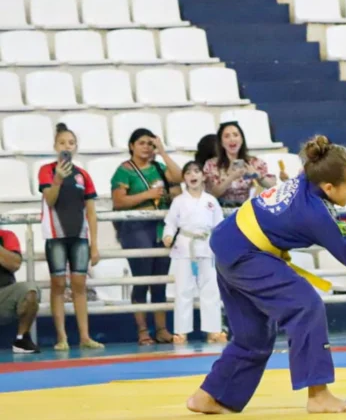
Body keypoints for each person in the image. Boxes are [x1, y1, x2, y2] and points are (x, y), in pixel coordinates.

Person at [185, 136, 346, 415]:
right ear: (329, 188)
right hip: (246, 255)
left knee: (253, 335)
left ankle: (210, 396)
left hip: (229, 242)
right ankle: (318, 394)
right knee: (306, 305)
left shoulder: (312, 172)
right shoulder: (317, 214)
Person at [111, 128, 183, 346]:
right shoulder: (123, 171)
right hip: (135, 228)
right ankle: (143, 330)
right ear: (131, 146)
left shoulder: (159, 167)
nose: (146, 147)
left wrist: (163, 152)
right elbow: (119, 202)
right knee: (141, 278)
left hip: (160, 227)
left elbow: (179, 177)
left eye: (150, 144)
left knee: (160, 279)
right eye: (142, 143)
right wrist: (147, 195)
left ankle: (161, 330)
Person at [38, 123, 103, 350]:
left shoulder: (83, 175)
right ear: (55, 146)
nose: (67, 146)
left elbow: (91, 213)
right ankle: (62, 337)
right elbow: (50, 200)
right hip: (55, 235)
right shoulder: (46, 171)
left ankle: (85, 336)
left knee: (79, 285)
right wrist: (57, 179)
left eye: (71, 143)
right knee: (58, 284)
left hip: (79, 236)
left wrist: (94, 245)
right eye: (63, 143)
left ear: (76, 147)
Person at [163, 161, 227, 344]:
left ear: (203, 176)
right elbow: (170, 222)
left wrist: (222, 243)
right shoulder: (179, 201)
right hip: (185, 246)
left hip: (207, 246)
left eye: (197, 171)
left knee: (211, 289)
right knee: (183, 289)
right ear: (184, 178)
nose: (193, 175)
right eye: (188, 172)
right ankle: (181, 331)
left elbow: (219, 225)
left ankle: (213, 330)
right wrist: (168, 235)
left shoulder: (211, 201)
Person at [203, 122, 277, 208]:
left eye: (235, 135)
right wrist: (231, 177)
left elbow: (273, 186)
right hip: (221, 209)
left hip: (247, 209)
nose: (232, 139)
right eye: (227, 136)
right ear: (221, 142)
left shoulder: (254, 162)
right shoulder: (212, 165)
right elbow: (212, 194)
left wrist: (257, 175)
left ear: (242, 139)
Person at [0, 226, 40, 353]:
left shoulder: (6, 236)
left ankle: (21, 339)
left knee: (30, 290)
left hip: (3, 296)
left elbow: (15, 264)